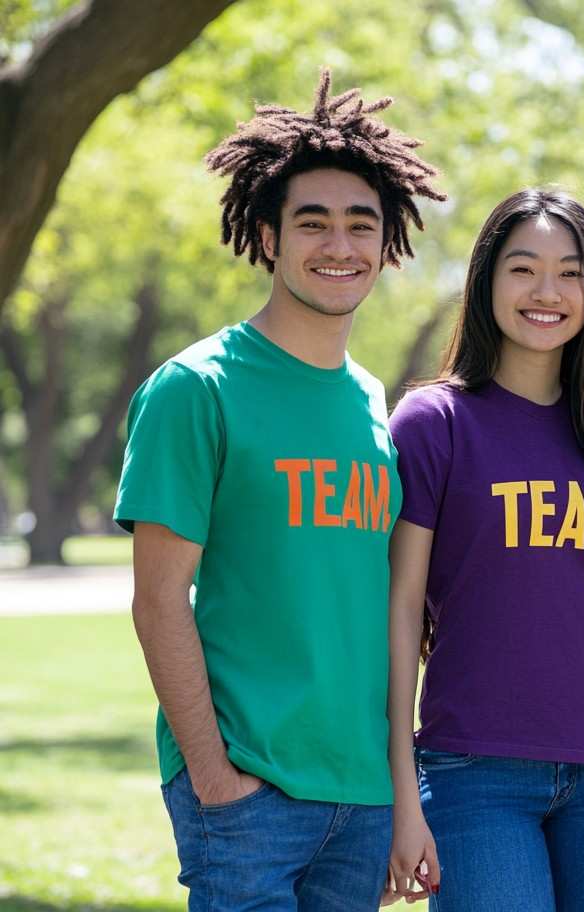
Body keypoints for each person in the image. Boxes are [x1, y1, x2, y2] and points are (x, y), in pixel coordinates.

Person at [114, 70, 443, 910]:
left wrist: (396, 792)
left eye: (360, 225)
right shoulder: (196, 388)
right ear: (267, 236)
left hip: (362, 797)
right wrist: (216, 779)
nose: (340, 245)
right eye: (313, 223)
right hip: (249, 794)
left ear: (387, 243)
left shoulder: (375, 405)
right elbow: (159, 600)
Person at [385, 188, 584, 911]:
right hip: (476, 771)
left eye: (570, 273)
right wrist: (399, 792)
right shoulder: (434, 421)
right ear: (485, 282)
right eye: (523, 269)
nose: (547, 292)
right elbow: (398, 612)